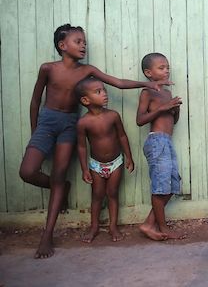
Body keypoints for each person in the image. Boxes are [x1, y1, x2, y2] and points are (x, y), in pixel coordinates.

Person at [19, 24, 170, 259]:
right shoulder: (48, 69)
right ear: (62, 45)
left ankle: (47, 235)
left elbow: (117, 82)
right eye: (77, 42)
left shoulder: (86, 70)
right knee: (27, 171)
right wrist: (35, 132)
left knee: (59, 176)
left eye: (84, 42)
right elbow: (35, 101)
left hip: (69, 124)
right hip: (47, 123)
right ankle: (61, 189)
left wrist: (146, 84)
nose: (83, 46)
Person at [75, 77, 134, 243]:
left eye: (104, 90)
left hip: (116, 162)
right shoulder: (83, 122)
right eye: (98, 92)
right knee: (97, 195)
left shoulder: (113, 116)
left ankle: (113, 226)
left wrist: (129, 157)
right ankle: (94, 227)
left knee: (112, 194)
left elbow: (122, 136)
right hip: (96, 165)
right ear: (85, 100)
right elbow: (81, 147)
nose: (104, 94)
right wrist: (85, 168)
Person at [137, 52, 185, 240]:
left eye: (168, 68)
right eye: (161, 68)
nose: (166, 71)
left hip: (167, 141)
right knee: (160, 187)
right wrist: (163, 108)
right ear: (149, 73)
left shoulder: (167, 93)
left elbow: (173, 120)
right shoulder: (147, 92)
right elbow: (140, 120)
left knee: (172, 185)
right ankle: (162, 227)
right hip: (156, 141)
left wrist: (175, 109)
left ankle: (148, 224)